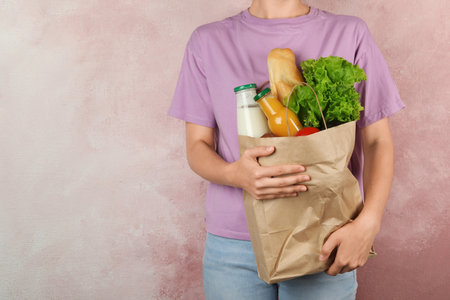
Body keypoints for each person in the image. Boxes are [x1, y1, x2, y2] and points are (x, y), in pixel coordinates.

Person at [168, 0, 405, 299]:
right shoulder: (207, 41)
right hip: (235, 246)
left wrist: (369, 222)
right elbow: (196, 146)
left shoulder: (349, 33)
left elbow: (377, 141)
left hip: (325, 235)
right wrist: (235, 174)